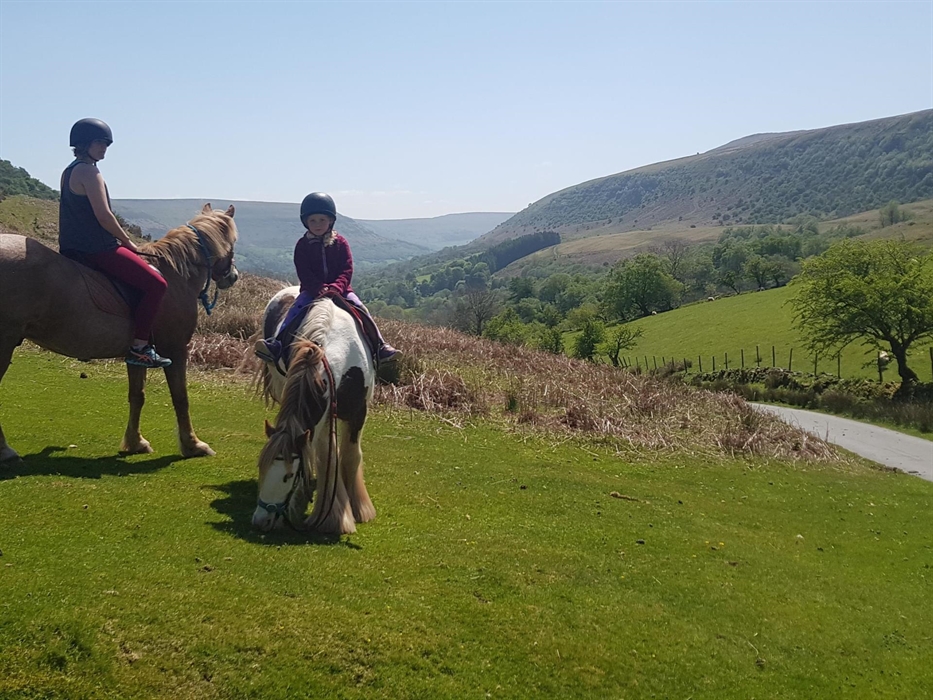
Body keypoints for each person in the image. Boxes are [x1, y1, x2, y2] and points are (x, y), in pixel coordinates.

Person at [59, 118, 171, 369]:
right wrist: (127, 241)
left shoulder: (69, 171)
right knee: (157, 284)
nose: (104, 148)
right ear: (84, 143)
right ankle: (140, 347)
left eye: (106, 144)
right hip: (99, 248)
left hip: (72, 248)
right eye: (99, 143)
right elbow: (104, 216)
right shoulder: (89, 171)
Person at [255, 192, 398, 364]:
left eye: (322, 220)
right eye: (313, 220)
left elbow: (347, 269)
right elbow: (304, 272)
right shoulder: (302, 245)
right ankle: (276, 343)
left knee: (361, 309)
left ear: (330, 221)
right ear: (306, 222)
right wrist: (318, 288)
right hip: (312, 291)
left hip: (341, 291)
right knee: (295, 311)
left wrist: (336, 287)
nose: (317, 224)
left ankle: (380, 346)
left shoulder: (341, 243)